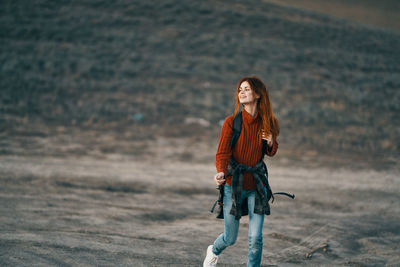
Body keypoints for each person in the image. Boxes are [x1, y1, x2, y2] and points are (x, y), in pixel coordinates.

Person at [203, 76, 279, 267]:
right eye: (240, 90)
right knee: (230, 238)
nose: (242, 92)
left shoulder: (268, 122)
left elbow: (271, 151)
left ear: (258, 94)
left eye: (246, 89)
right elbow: (222, 152)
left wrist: (271, 141)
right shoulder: (232, 122)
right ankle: (213, 250)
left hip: (257, 185)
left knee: (256, 239)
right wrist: (220, 172)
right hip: (232, 185)